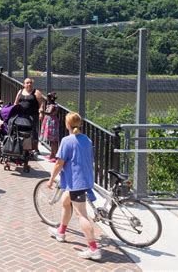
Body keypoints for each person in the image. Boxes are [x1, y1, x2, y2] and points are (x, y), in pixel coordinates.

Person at [47, 112, 101, 261]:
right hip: (85, 179)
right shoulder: (87, 140)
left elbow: (59, 163)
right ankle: (61, 232)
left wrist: (51, 179)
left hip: (76, 183)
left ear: (67, 125)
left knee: (81, 214)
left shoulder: (67, 141)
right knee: (65, 202)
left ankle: (93, 249)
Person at [14, 78, 45, 155]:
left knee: (34, 131)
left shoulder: (36, 92)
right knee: (23, 131)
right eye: (27, 83)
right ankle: (23, 147)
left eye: (30, 83)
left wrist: (41, 112)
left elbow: (42, 103)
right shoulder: (20, 92)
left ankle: (35, 148)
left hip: (32, 115)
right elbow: (16, 102)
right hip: (21, 115)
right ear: (24, 84)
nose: (29, 84)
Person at [40, 92, 60, 162]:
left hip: (52, 123)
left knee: (54, 140)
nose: (47, 99)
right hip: (49, 122)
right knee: (52, 140)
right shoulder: (51, 104)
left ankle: (54, 155)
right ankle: (52, 154)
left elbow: (50, 113)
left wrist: (42, 112)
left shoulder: (53, 106)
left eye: (48, 98)